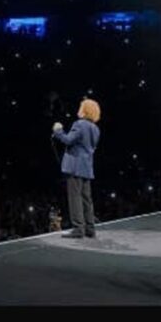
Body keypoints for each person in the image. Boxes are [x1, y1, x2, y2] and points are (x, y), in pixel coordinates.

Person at [53, 98, 101, 239]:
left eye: (81, 106)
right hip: (86, 167)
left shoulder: (79, 124)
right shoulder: (96, 129)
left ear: (85, 110)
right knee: (87, 199)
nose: (79, 108)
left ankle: (78, 229)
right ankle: (90, 228)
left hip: (75, 167)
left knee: (75, 198)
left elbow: (68, 140)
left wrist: (58, 130)